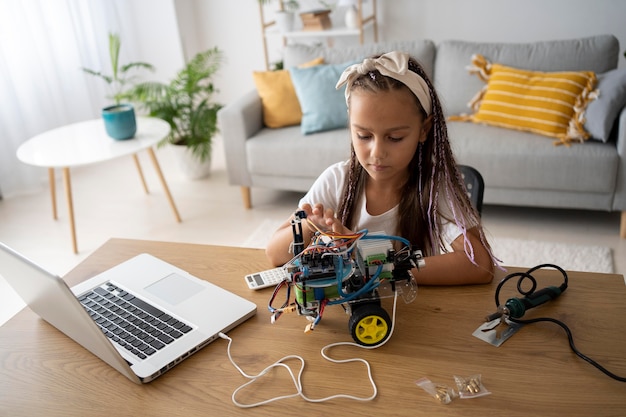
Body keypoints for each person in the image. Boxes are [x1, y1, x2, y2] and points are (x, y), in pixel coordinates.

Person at [265, 51, 497, 285]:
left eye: (395, 138)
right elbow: (274, 253)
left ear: (423, 130)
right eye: (363, 135)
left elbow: (479, 265)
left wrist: (376, 263)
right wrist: (312, 225)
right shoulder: (337, 180)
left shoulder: (435, 189)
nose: (377, 153)